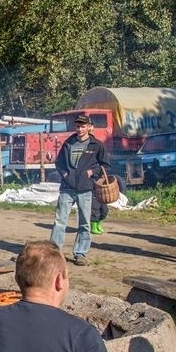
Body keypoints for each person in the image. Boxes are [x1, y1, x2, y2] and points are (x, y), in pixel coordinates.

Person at [50, 114, 109, 266]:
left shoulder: (97, 145)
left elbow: (105, 165)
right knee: (59, 221)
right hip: (67, 188)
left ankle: (80, 253)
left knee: (84, 223)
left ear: (89, 127)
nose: (80, 129)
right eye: (78, 126)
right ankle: (54, 252)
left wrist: (92, 173)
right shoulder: (69, 142)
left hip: (85, 189)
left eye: (83, 126)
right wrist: (64, 174)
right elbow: (59, 163)